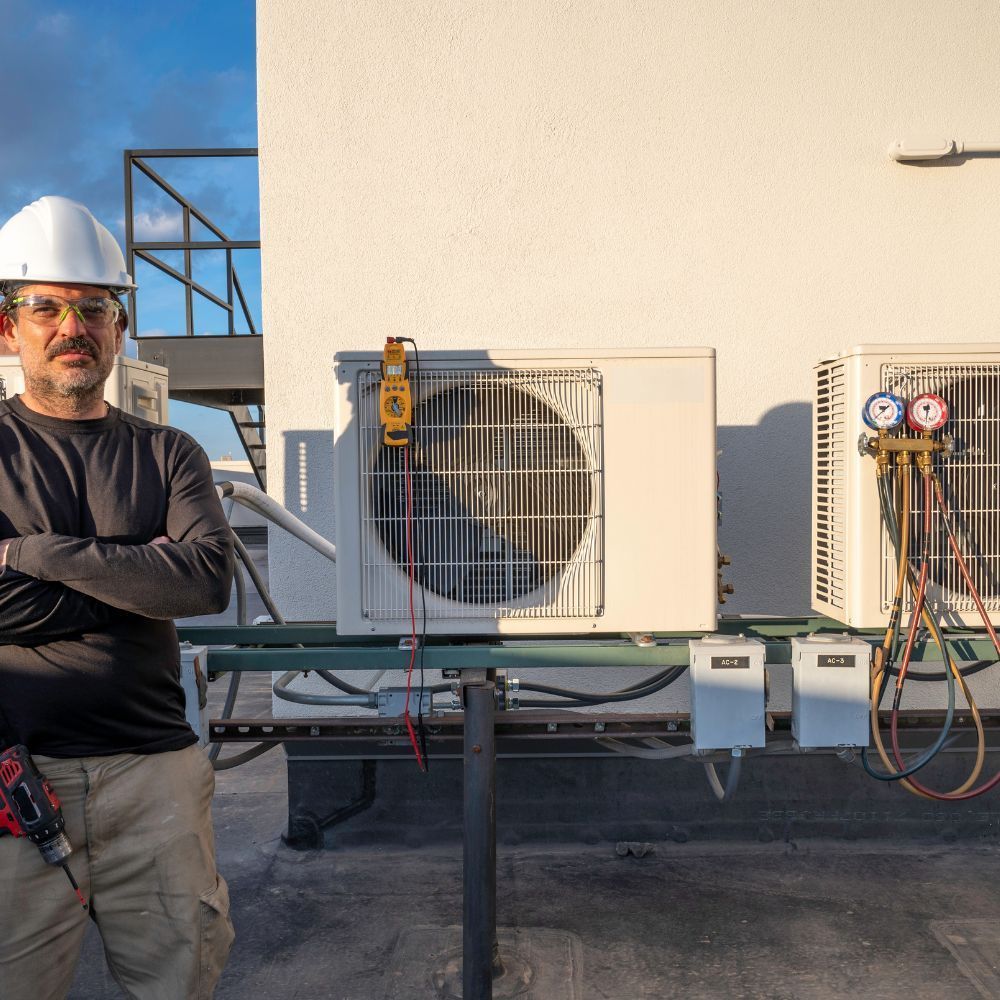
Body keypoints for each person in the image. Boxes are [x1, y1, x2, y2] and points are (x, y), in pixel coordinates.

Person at [0, 195, 236, 999]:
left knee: (180, 982)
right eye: (46, 307)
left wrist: (33, 557)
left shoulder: (172, 452)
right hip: (17, 781)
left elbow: (205, 581)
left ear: (119, 327)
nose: (74, 326)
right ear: (8, 329)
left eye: (95, 307)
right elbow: (173, 581)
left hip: (156, 778)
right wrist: (138, 578)